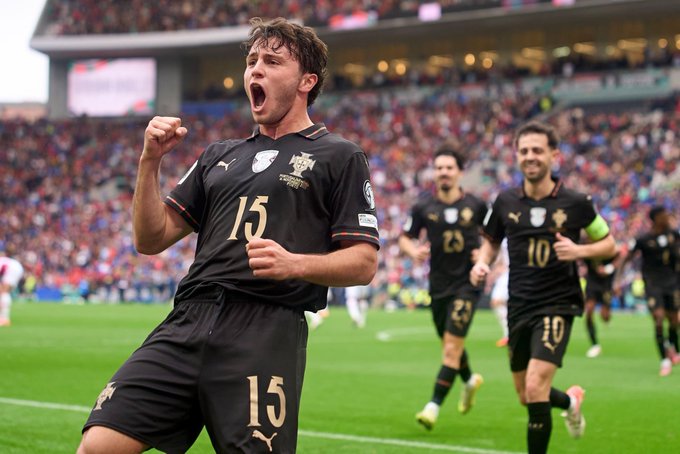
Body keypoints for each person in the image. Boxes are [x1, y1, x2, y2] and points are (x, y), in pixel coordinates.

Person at [78, 17, 379, 454]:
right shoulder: (219, 155)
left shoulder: (339, 156)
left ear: (306, 82)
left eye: (272, 61)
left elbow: (364, 262)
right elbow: (150, 238)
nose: (256, 69)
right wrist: (150, 162)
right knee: (97, 446)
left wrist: (294, 264)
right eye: (252, 60)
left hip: (265, 327)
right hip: (188, 319)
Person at [470, 121, 616, 454]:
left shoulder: (577, 202)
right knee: (526, 395)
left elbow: (609, 244)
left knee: (536, 386)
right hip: (519, 304)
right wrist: (482, 263)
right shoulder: (505, 201)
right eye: (524, 151)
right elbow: (491, 241)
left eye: (537, 150)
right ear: (516, 156)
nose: (530, 156)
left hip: (557, 304)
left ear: (554, 155)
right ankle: (570, 402)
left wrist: (579, 251)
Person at [399, 143, 487, 431]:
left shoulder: (476, 205)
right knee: (450, 344)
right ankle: (469, 380)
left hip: (468, 285)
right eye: (439, 168)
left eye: (449, 167)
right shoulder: (423, 207)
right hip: (438, 287)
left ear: (460, 172)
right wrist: (413, 251)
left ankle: (433, 406)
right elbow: (405, 237)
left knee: (450, 348)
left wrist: (483, 257)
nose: (444, 172)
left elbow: (493, 237)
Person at [624, 206, 679, 376]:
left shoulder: (673, 235)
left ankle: (671, 346)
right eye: (663, 215)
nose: (667, 218)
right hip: (653, 284)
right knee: (658, 319)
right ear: (655, 218)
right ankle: (664, 360)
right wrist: (617, 278)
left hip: (672, 283)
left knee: (674, 321)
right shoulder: (643, 239)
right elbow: (627, 258)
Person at [582, 246, 624, 358]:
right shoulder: (586, 247)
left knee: (605, 316)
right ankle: (595, 345)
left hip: (606, 285)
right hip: (592, 283)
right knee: (589, 312)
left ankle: (606, 316)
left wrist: (609, 268)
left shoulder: (609, 246)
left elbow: (621, 256)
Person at [489, 239, 510, 347]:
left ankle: (510, 333)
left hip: (516, 272)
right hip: (505, 273)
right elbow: (500, 259)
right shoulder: (503, 238)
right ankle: (508, 333)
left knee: (498, 301)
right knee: (496, 302)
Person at [0, 255, 24, 327]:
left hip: (11, 268)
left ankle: (4, 319)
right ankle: (4, 318)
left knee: (4, 292)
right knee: (4, 292)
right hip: (16, 267)